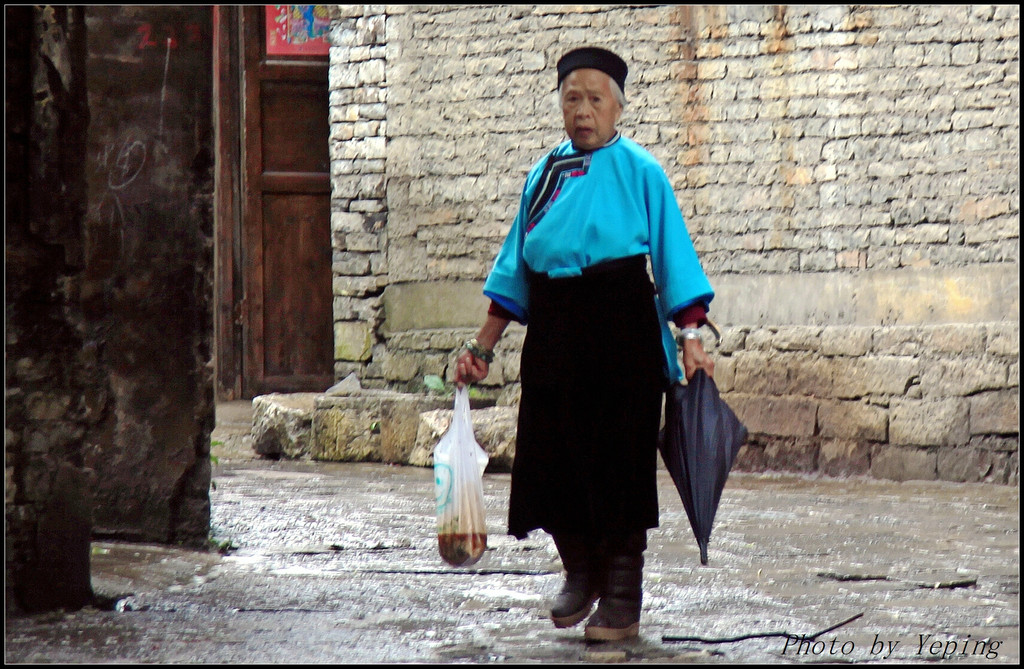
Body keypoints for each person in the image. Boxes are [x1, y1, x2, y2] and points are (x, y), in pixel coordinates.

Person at [453, 46, 716, 642]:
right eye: (573, 98)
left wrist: (691, 333)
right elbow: (514, 271)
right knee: (550, 456)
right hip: (556, 327)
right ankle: (580, 569)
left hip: (621, 325)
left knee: (619, 461)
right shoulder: (542, 175)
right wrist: (482, 347)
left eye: (596, 99)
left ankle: (622, 593)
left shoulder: (641, 171)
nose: (583, 110)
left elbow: (674, 256)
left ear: (618, 108)